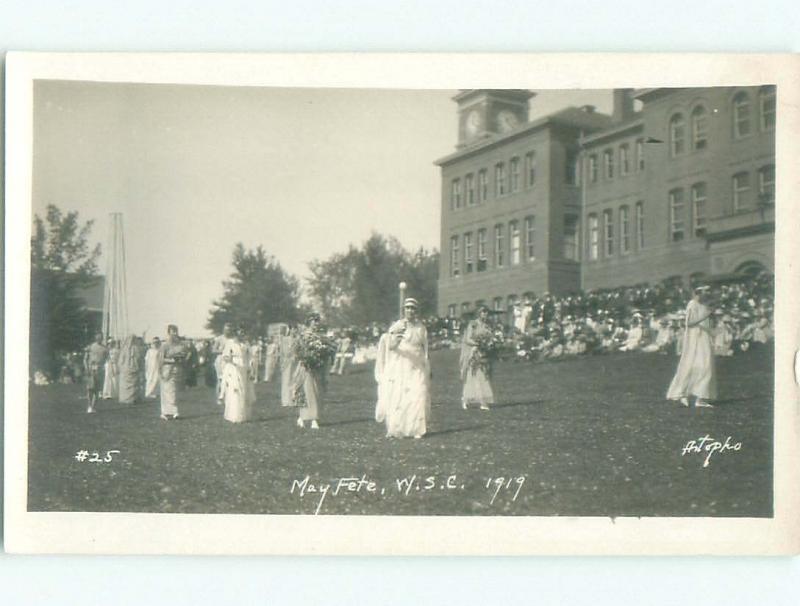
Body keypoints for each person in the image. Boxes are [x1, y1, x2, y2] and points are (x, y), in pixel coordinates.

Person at [382, 298, 431, 439]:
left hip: (418, 366)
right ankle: (398, 428)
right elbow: (390, 347)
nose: (410, 311)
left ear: (417, 311)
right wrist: (398, 336)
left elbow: (425, 348)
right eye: (407, 308)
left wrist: (427, 365)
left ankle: (417, 429)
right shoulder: (397, 325)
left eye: (413, 308)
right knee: (401, 396)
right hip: (402, 365)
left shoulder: (421, 327)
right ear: (404, 310)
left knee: (419, 394)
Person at [666, 287, 717, 408]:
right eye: (705, 292)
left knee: (706, 366)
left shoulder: (704, 306)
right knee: (692, 365)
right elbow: (689, 323)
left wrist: (712, 331)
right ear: (698, 293)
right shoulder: (692, 304)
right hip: (695, 339)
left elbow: (707, 325)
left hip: (704, 339)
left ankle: (701, 398)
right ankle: (683, 393)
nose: (708, 294)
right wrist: (706, 315)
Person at [292, 313, 332, 429]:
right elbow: (296, 350)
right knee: (306, 392)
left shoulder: (320, 336)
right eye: (314, 321)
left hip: (318, 366)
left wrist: (321, 355)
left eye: (318, 321)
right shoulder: (303, 335)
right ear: (309, 322)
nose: (316, 323)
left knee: (317, 391)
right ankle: (309, 418)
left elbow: (325, 350)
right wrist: (305, 357)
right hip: (306, 366)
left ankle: (310, 417)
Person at [459, 306, 496, 411]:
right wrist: (478, 344)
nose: (485, 314)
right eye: (483, 312)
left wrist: (489, 344)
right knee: (475, 375)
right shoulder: (473, 324)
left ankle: (469, 398)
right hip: (474, 352)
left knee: (484, 375)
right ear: (479, 313)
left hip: (484, 353)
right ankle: (480, 401)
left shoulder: (488, 326)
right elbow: (467, 339)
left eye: (487, 312)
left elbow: (491, 337)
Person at [221, 327, 256, 423]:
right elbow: (225, 356)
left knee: (244, 390)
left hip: (244, 367)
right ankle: (234, 415)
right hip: (234, 368)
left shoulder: (246, 344)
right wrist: (232, 361)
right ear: (235, 333)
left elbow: (250, 356)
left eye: (243, 333)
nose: (242, 335)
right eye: (240, 333)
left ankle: (243, 414)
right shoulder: (230, 343)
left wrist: (250, 368)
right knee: (235, 390)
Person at [158, 324, 190, 420]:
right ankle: (170, 412)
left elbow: (186, 355)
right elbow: (161, 359)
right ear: (169, 333)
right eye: (173, 332)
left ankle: (170, 411)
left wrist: (182, 359)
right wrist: (172, 360)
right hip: (167, 370)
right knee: (168, 391)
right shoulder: (164, 345)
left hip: (178, 370)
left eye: (176, 331)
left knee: (174, 391)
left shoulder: (181, 345)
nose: (175, 334)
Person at [83, 332, 108, 413]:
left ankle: (93, 407)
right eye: (97, 337)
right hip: (91, 369)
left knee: (97, 390)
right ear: (95, 337)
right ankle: (89, 405)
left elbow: (107, 359)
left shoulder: (105, 348)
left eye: (100, 337)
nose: (99, 339)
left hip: (100, 369)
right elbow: (85, 359)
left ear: (102, 338)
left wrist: (103, 366)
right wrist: (86, 368)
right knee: (90, 389)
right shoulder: (91, 347)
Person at [117, 335, 143, 404]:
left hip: (133, 368)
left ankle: (133, 398)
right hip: (126, 369)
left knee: (134, 385)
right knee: (126, 385)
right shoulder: (125, 349)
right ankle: (125, 398)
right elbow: (121, 360)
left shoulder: (136, 349)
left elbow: (139, 359)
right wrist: (121, 367)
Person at [212, 323, 233, 404]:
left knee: (229, 379)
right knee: (220, 380)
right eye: (226, 330)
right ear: (223, 330)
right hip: (220, 361)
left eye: (229, 330)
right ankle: (219, 398)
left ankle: (227, 397)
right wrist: (223, 351)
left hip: (229, 360)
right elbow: (213, 350)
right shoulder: (219, 339)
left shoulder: (233, 339)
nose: (228, 331)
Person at [280, 327, 299, 407]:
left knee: (294, 380)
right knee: (286, 380)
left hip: (295, 362)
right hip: (286, 362)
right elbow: (282, 352)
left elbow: (299, 350)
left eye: (296, 330)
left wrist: (296, 356)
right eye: (294, 329)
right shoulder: (284, 340)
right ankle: (285, 400)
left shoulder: (297, 340)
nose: (295, 331)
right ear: (290, 330)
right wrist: (282, 362)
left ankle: (293, 399)